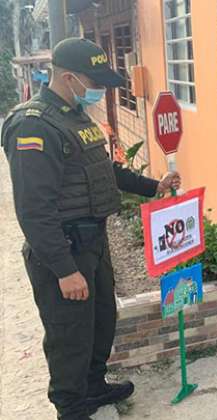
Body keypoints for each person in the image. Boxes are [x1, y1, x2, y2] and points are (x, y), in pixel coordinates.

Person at [0, 38, 181, 420]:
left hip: (93, 241)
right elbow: (34, 210)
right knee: (69, 333)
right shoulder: (33, 125)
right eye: (93, 80)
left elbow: (105, 172)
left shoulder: (76, 117)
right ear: (69, 77)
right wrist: (64, 269)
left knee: (101, 321)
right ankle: (70, 406)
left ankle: (94, 386)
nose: (99, 89)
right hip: (64, 247)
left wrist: (154, 187)